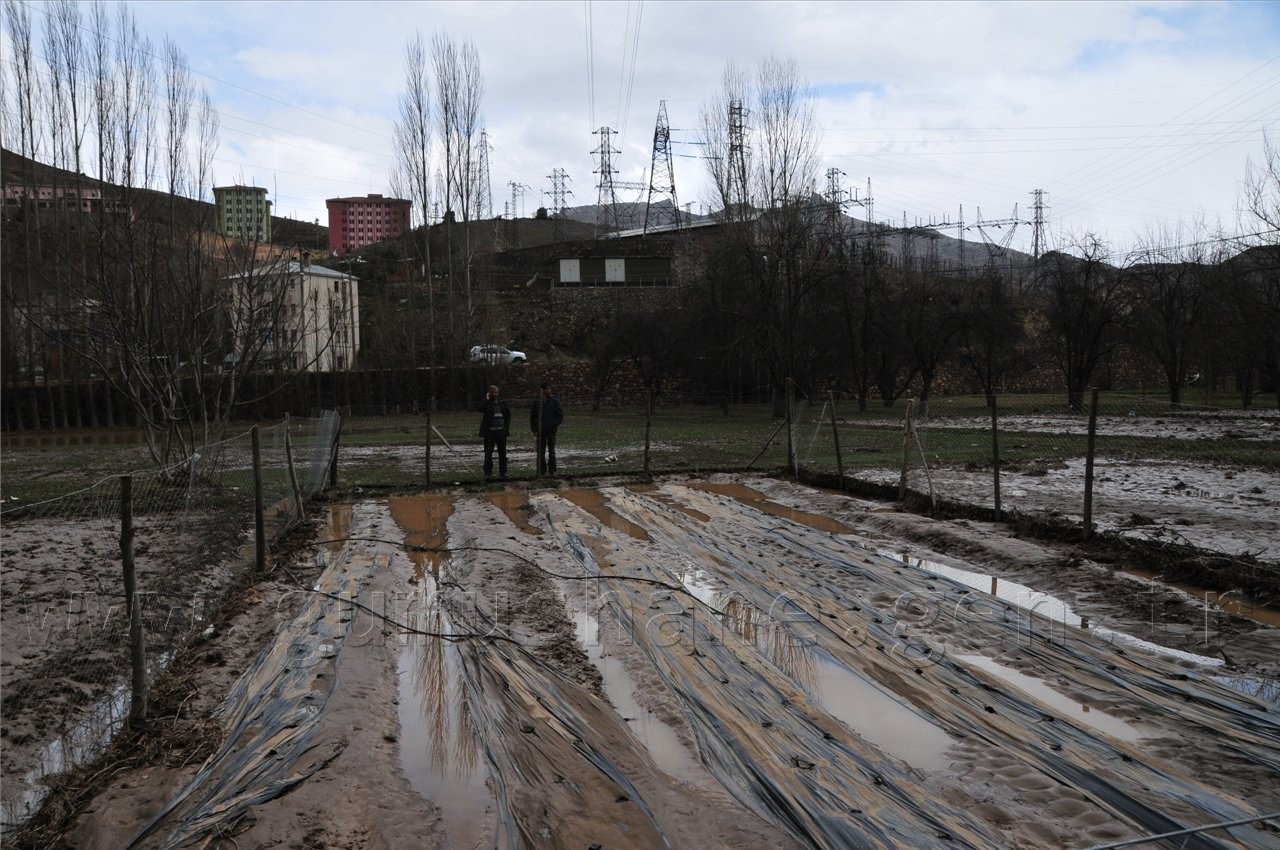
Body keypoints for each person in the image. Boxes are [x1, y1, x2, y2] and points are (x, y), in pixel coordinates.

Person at [529, 382, 564, 476]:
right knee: (540, 452)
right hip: (540, 432)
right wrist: (534, 429)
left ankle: (552, 470)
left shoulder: (555, 402)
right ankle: (541, 471)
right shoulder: (537, 403)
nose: (548, 391)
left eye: (549, 389)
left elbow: (560, 416)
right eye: (546, 389)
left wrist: (553, 425)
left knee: (551, 451)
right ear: (542, 391)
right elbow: (533, 417)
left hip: (551, 431)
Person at [478, 385, 511, 480]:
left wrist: (506, 430)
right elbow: (479, 409)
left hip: (501, 432)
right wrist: (486, 399)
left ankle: (503, 473)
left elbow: (508, 417)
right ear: (489, 393)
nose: (494, 394)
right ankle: (488, 473)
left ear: (498, 393)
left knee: (502, 454)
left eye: (495, 392)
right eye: (492, 392)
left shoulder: (503, 404)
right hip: (489, 433)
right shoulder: (487, 404)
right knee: (488, 453)